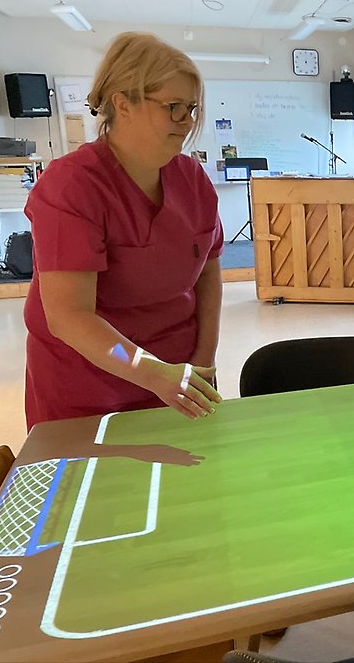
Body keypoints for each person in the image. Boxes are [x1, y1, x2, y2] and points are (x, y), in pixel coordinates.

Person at [24, 31, 224, 430]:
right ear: (123, 104)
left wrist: (203, 360)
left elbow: (208, 275)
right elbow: (69, 316)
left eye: (192, 108)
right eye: (173, 107)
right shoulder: (72, 186)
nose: (186, 122)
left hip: (178, 380)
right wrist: (152, 373)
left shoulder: (192, 179)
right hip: (88, 387)